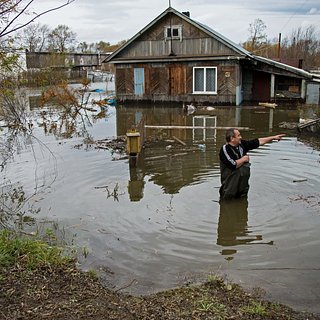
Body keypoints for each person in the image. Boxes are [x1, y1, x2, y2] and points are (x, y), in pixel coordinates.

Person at [219, 128, 285, 200]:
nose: (241, 137)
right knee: (227, 204)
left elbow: (258, 141)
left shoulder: (242, 145)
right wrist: (244, 159)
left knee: (243, 204)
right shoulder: (225, 149)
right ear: (232, 138)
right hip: (229, 188)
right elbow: (233, 165)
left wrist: (273, 137)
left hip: (242, 187)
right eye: (239, 135)